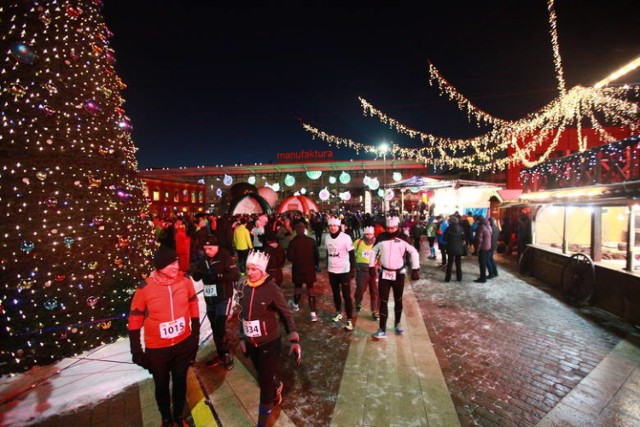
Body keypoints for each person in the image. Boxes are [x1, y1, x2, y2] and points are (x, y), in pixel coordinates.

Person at [128, 245, 200, 427]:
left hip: (183, 343)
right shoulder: (145, 288)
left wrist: (195, 332)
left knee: (180, 381)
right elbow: (135, 319)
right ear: (159, 267)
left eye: (176, 262)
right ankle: (166, 419)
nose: (176, 267)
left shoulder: (185, 281)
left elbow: (193, 303)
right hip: (157, 349)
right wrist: (136, 349)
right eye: (170, 265)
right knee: (161, 385)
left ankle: (178, 416)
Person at [238, 250, 302, 427]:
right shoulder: (243, 287)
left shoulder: (272, 288)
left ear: (262, 271)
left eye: (253, 270)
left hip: (269, 342)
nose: (249, 273)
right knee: (263, 374)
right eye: (248, 269)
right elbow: (241, 315)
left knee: (264, 384)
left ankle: (262, 422)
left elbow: (285, 314)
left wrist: (293, 338)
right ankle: (276, 384)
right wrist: (242, 337)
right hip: (252, 342)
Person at [191, 235, 240, 370]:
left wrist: (220, 276)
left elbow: (236, 275)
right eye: (205, 249)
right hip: (210, 299)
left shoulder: (225, 257)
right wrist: (197, 273)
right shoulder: (204, 259)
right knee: (214, 328)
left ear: (217, 247)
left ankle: (226, 354)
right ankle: (220, 353)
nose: (207, 251)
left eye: (210, 248)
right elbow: (196, 276)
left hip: (223, 298)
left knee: (219, 327)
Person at [371, 216, 420, 340]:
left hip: (399, 273)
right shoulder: (381, 237)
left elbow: (414, 252)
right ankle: (382, 328)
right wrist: (371, 266)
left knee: (398, 299)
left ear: (397, 227)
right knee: (383, 301)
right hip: (384, 274)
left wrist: (415, 268)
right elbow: (373, 251)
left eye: (393, 228)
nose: (391, 230)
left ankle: (397, 323)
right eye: (388, 228)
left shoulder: (404, 238)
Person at [324, 216, 356, 331]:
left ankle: (349, 320)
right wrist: (327, 265)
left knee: (346, 296)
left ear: (338, 226)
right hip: (332, 270)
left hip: (344, 271)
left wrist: (352, 269)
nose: (332, 228)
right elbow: (328, 253)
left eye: (334, 226)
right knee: (335, 293)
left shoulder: (346, 238)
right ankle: (338, 312)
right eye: (331, 226)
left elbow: (352, 254)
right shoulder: (327, 237)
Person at [287, 221, 321, 321]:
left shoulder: (293, 242)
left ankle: (296, 305)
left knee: (297, 287)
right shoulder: (311, 241)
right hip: (309, 268)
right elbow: (317, 255)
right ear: (304, 230)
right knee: (310, 288)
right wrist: (316, 264)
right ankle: (313, 313)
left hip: (297, 268)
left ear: (296, 231)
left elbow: (289, 257)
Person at [353, 226, 379, 320]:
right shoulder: (358, 242)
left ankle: (375, 311)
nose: (369, 236)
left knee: (375, 291)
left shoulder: (377, 243)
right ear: (364, 234)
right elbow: (351, 253)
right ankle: (358, 301)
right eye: (367, 234)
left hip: (373, 270)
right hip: (361, 270)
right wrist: (354, 265)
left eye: (371, 234)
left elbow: (381, 255)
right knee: (360, 288)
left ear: (373, 234)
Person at [442, 216, 465, 282]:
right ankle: (459, 278)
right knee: (458, 263)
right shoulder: (461, 228)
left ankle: (447, 279)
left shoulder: (448, 229)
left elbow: (444, 239)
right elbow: (463, 237)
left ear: (451, 222)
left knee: (450, 263)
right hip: (459, 248)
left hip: (450, 248)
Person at [474, 216, 492, 283]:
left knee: (482, 263)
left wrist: (477, 249)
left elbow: (479, 240)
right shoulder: (488, 226)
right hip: (488, 246)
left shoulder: (481, 227)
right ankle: (488, 274)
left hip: (483, 247)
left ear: (479, 221)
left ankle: (483, 278)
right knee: (485, 261)